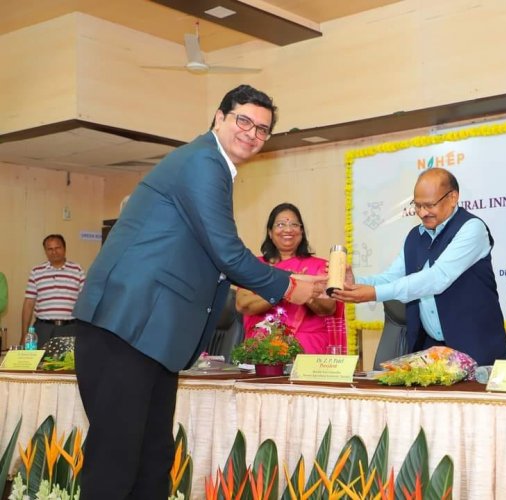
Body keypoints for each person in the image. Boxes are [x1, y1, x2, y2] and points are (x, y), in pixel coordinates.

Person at [72, 84, 326, 500]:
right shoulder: (204, 161)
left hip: (152, 336)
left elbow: (212, 257)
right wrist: (288, 286)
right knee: (116, 463)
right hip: (125, 325)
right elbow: (226, 251)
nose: (252, 133)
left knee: (152, 460)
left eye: (262, 130)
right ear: (219, 118)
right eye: (244, 120)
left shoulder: (212, 167)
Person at [333, 167, 506, 366]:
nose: (422, 213)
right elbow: (392, 276)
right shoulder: (416, 236)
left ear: (453, 197)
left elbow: (437, 278)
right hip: (431, 351)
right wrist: (356, 283)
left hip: (476, 347)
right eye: (417, 206)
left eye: (429, 205)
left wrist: (374, 293)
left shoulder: (472, 228)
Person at [236, 203, 346, 354]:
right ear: (270, 232)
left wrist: (304, 292)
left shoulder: (320, 267)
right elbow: (243, 304)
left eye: (294, 224)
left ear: (301, 231)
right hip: (261, 347)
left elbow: (328, 308)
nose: (288, 229)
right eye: (280, 224)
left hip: (307, 349)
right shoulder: (255, 266)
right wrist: (288, 286)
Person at [22, 234, 85, 347]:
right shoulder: (36, 271)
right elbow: (29, 304)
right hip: (43, 329)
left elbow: (84, 300)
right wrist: (24, 334)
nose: (54, 252)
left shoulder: (77, 269)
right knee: (40, 363)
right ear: (45, 251)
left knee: (68, 364)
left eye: (57, 248)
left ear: (64, 249)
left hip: (70, 328)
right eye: (50, 249)